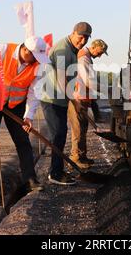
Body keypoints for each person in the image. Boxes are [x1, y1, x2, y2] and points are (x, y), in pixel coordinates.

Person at [0, 37, 50, 192]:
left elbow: (34, 92)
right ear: (25, 50)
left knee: (22, 140)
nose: (36, 61)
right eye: (34, 57)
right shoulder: (3, 50)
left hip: (15, 105)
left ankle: (30, 178)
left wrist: (29, 116)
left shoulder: (38, 66)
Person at [41, 22, 92, 186]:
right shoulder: (63, 49)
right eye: (80, 37)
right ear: (73, 32)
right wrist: (75, 101)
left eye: (86, 38)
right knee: (58, 134)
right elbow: (62, 80)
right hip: (51, 99)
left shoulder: (73, 49)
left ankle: (58, 170)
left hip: (60, 99)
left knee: (61, 135)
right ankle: (54, 173)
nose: (82, 41)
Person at [68, 39, 108, 169]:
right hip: (78, 99)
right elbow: (87, 81)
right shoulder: (83, 57)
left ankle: (82, 156)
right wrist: (107, 88)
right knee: (78, 130)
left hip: (84, 99)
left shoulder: (87, 58)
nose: (100, 55)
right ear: (94, 47)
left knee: (83, 129)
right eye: (100, 52)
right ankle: (76, 158)